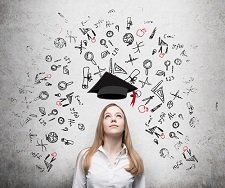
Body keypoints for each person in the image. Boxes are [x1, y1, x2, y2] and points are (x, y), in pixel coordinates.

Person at [72, 103, 145, 188]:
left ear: (125, 125)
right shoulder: (85, 156)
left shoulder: (135, 160)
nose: (113, 119)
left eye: (118, 116)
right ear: (102, 125)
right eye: (107, 116)